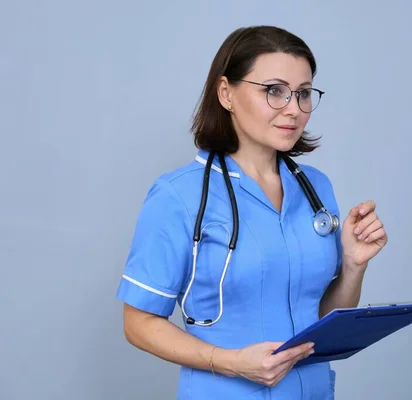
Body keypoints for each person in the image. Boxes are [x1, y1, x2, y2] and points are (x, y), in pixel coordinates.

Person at [116, 25, 388, 399]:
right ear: (226, 93)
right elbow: (138, 322)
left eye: (303, 94)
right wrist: (227, 361)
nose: (293, 109)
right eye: (274, 91)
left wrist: (354, 267)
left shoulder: (316, 189)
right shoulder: (178, 196)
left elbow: (321, 320)